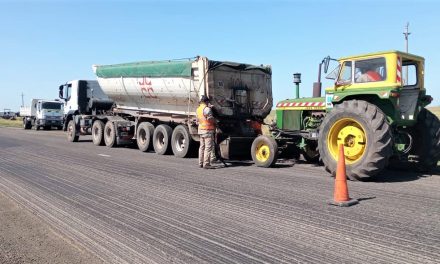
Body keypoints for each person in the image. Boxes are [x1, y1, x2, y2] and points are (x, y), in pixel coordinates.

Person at [197, 95, 216, 169]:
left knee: (202, 147)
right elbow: (210, 119)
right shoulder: (207, 109)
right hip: (207, 130)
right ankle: (206, 164)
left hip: (201, 130)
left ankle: (200, 163)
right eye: (208, 101)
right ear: (206, 101)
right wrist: (216, 122)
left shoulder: (198, 109)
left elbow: (197, 120)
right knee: (208, 147)